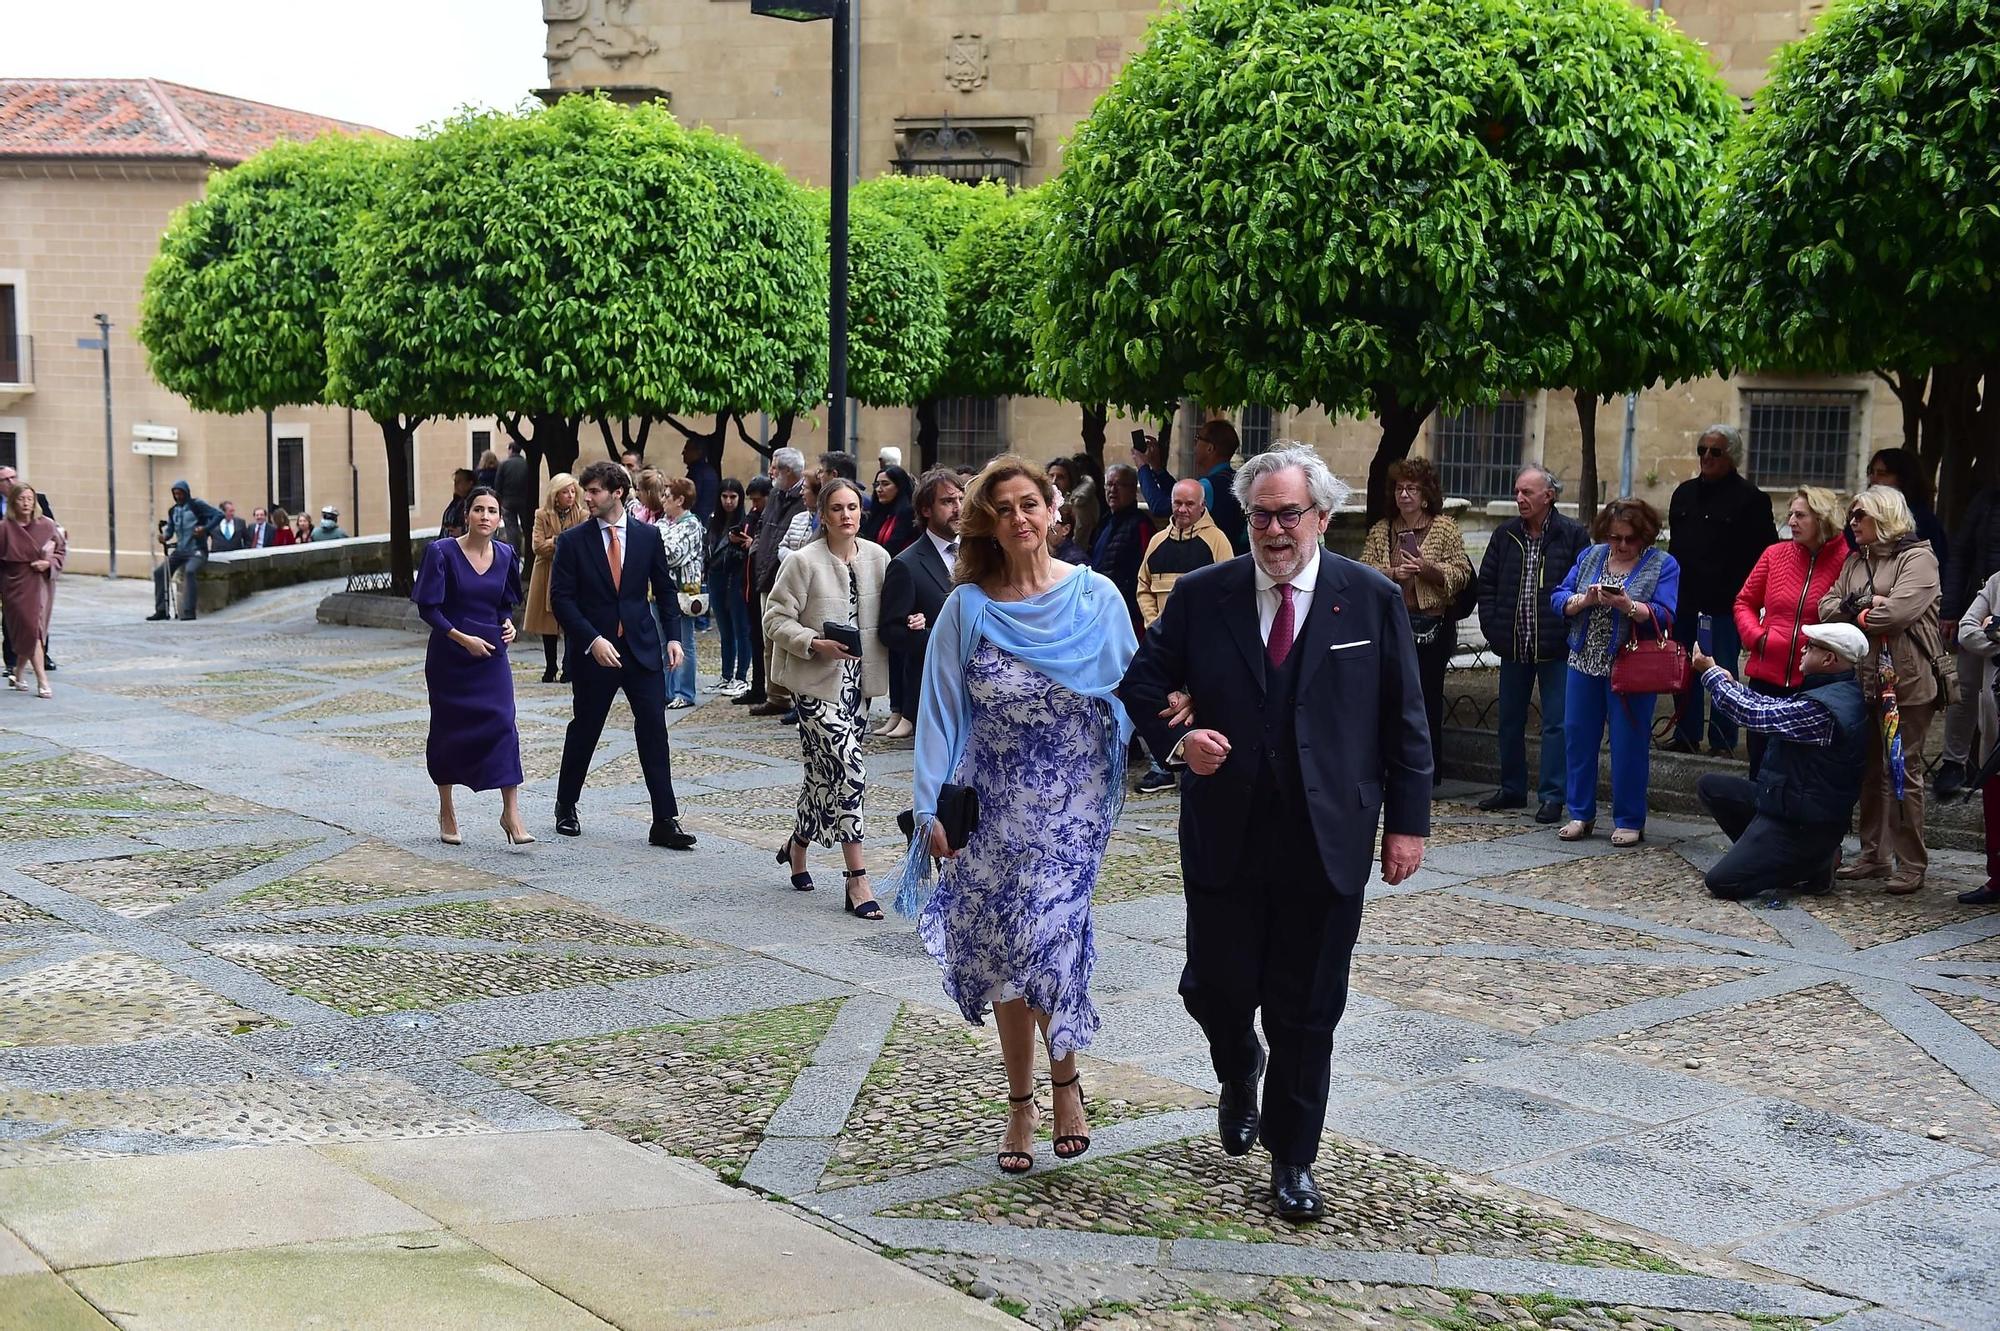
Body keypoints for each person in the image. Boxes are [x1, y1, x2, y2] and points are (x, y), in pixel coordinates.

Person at [1119, 444, 1429, 1223]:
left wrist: (1407, 825)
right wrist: (1178, 741)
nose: (1274, 528)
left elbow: (1404, 718)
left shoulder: (1370, 598)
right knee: (1214, 988)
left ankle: (1293, 1158)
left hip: (1328, 836)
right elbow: (1141, 681)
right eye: (1260, 513)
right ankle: (1237, 1062)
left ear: (1321, 516)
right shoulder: (1204, 593)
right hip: (1226, 829)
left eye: (1290, 513)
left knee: (1307, 1007)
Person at [891, 455, 1137, 1177]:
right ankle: (1019, 1100)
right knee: (1004, 952)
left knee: (1047, 937)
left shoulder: (1099, 598)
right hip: (991, 799)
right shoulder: (967, 607)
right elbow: (940, 709)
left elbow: (1139, 686)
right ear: (987, 524)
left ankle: (1064, 1085)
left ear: (1054, 510)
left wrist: (1181, 729)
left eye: (1031, 503)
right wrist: (930, 803)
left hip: (1073, 803)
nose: (1021, 517)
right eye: (1005, 509)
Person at [549, 460, 696, 850]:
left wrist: (674, 638)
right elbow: (560, 600)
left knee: (653, 727)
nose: (588, 498)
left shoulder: (648, 537)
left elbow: (664, 590)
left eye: (595, 491)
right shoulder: (572, 541)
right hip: (593, 651)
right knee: (586, 728)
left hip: (640, 648)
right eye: (586, 491)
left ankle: (664, 820)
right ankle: (566, 805)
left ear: (617, 492)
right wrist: (592, 640)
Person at [764, 478, 890, 914]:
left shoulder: (878, 557)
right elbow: (775, 619)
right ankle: (857, 877)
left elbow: (889, 616)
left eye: (853, 507)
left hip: (859, 686)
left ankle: (797, 846)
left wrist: (912, 620)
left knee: (823, 774)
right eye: (837, 508)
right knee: (850, 770)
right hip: (815, 685)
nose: (846, 515)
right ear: (823, 515)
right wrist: (814, 643)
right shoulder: (802, 561)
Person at [1819, 485, 1943, 895]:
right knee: (1871, 771)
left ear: (1884, 516)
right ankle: (1874, 855)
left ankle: (1912, 862)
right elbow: (1826, 606)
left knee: (1903, 770)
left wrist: (1860, 607)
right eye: (1852, 515)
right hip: (1866, 680)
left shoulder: (1919, 558)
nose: (1852, 523)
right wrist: (1867, 603)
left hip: (1906, 683)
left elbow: (1898, 613)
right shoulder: (1856, 560)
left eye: (1860, 516)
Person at [1692, 623, 1869, 900]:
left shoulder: (1824, 708)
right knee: (1711, 786)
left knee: (1721, 882)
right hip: (1789, 805)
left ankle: (1810, 865)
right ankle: (1777, 854)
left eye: (1811, 647)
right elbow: (1769, 707)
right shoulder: (1833, 690)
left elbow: (1755, 717)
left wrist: (1711, 674)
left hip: (1804, 824)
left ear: (1829, 659)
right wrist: (1728, 682)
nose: (1802, 649)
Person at [1552, 498, 1680, 846]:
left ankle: (1629, 819)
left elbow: (1667, 614)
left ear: (1644, 536)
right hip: (1583, 661)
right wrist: (1583, 600)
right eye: (1615, 537)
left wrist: (1630, 606)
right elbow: (1559, 596)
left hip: (1630, 666)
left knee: (1628, 744)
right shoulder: (1591, 556)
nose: (1622, 545)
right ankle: (1580, 813)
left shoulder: (1662, 564)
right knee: (1578, 739)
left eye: (1629, 539)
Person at [412, 487, 533, 848]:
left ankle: (511, 812)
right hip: (450, 657)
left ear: (499, 519)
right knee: (449, 730)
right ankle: (447, 809)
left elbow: (504, 604)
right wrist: (461, 638)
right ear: (467, 516)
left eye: (491, 511)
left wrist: (507, 623)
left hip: (492, 656)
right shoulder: (441, 552)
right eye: (478, 509)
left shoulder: (507, 554)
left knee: (503, 724)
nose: (484, 516)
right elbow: (428, 609)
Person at [1475, 466, 1589, 821]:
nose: (1520, 499)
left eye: (1527, 492)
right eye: (1517, 492)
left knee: (1557, 722)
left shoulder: (1572, 535)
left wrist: (1570, 631)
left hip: (1556, 645)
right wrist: (1494, 629)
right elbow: (1487, 585)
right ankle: (1512, 788)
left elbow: (1583, 586)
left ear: (1548, 496)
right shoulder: (1505, 534)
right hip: (1513, 644)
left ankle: (1553, 795)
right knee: (1509, 718)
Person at [1360, 456, 1474, 787]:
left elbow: (1461, 572)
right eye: (1399, 488)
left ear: (1425, 495)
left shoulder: (1445, 527)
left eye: (1411, 488)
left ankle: (1428, 770)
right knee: (1389, 696)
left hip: (1432, 625)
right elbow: (1364, 571)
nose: (1404, 495)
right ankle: (1389, 765)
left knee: (1426, 699)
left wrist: (1426, 568)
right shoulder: (1383, 529)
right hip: (1392, 625)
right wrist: (1394, 573)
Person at [1664, 425, 1776, 756]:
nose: (1707, 457)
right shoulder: (1683, 494)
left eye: (1715, 452)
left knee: (1722, 669)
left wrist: (1753, 601)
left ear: (1733, 457)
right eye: (1702, 450)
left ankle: (1723, 741)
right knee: (1683, 668)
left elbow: (1765, 555)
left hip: (1725, 604)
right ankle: (1685, 735)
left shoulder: (1752, 499)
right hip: (1685, 600)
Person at [1734, 487, 1846, 779]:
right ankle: (1757, 820)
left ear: (1822, 519)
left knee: (1801, 766)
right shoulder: (1775, 554)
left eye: (1801, 515)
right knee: (1759, 762)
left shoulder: (1847, 561)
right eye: (1791, 514)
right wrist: (1757, 637)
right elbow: (1744, 602)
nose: (1792, 521)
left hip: (1814, 681)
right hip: (1766, 676)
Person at [1131, 478, 1234, 793]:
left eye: (1190, 503)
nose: (1183, 509)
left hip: (1202, 640)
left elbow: (1228, 591)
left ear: (1203, 505)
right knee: (1162, 699)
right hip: (1163, 640)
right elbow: (1143, 586)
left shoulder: (1217, 541)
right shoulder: (1158, 540)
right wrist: (1154, 622)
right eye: (1178, 503)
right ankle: (1161, 764)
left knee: (1196, 700)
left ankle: (1203, 755)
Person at [878, 469, 964, 745]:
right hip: (934, 692)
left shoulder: (980, 553)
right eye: (948, 502)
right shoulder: (907, 564)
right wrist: (930, 636)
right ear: (926, 509)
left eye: (961, 500)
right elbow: (890, 631)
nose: (958, 508)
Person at [1938, 478, 2000, 800]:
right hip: (1984, 600)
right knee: (1965, 688)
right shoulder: (1986, 500)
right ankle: (1955, 762)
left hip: (1993, 617)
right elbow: (1960, 554)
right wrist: (1950, 608)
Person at [749, 448, 809, 717]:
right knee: (768, 639)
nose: (770, 472)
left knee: (788, 638)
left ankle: (792, 696)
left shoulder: (802, 498)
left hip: (788, 577)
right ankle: (775, 695)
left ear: (788, 471)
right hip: (767, 576)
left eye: (774, 468)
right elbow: (766, 528)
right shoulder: (775, 494)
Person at [1953, 569, 2000, 905]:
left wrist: (1996, 630)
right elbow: (1966, 630)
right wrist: (1993, 637)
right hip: (1995, 716)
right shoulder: (1997, 582)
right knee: (1995, 799)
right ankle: (1997, 878)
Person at [1133, 419, 1249, 554]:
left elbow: (1160, 507)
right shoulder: (1235, 480)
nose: (1194, 446)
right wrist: (1158, 469)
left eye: (1197, 439)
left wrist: (1142, 467)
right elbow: (1177, 495)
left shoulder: (1207, 486)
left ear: (1210, 448)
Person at [0, 483, 63, 698]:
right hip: (15, 584)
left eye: (30, 498)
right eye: (21, 499)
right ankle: (37, 677)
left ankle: (24, 674)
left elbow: (61, 551)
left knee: (34, 630)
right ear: (13, 502)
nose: (26, 503)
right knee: (29, 630)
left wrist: (49, 564)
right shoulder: (4, 528)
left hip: (41, 582)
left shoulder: (47, 525)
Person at [526, 473, 586, 684]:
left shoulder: (582, 514)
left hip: (571, 572)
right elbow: (537, 547)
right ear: (555, 494)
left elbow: (581, 546)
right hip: (546, 572)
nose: (570, 496)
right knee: (548, 623)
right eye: (564, 492)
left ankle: (568, 666)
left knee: (571, 620)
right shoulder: (542, 515)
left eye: (572, 491)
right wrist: (561, 542)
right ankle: (550, 665)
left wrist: (555, 542)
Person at [657, 476, 705, 709]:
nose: (663, 500)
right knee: (662, 642)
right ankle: (666, 690)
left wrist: (657, 546)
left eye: (667, 496)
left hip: (683, 593)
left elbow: (673, 555)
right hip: (659, 591)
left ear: (680, 500)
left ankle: (684, 692)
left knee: (683, 643)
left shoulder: (692, 525)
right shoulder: (663, 523)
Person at [1091, 463, 1155, 635]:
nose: (1113, 490)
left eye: (1120, 484)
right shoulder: (1104, 521)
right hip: (1100, 608)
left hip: (1127, 614)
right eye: (1109, 484)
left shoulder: (1140, 524)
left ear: (1133, 488)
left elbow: (1146, 573)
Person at [148, 479, 222, 622]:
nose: (178, 496)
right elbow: (169, 531)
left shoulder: (197, 505)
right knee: (159, 573)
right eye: (175, 494)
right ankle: (161, 610)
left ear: (186, 492)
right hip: (180, 551)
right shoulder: (173, 511)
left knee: (189, 571)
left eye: (180, 493)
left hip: (197, 550)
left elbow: (219, 515)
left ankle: (189, 611)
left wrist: (205, 529)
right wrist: (164, 537)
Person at [706, 479, 753, 696]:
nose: (728, 501)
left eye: (733, 497)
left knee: (741, 629)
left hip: (736, 576)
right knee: (725, 630)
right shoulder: (713, 520)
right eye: (724, 496)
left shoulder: (745, 522)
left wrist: (742, 543)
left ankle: (741, 676)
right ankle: (726, 675)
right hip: (716, 576)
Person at [735, 475, 774, 706]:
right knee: (754, 638)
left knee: (764, 640)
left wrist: (754, 545)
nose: (754, 505)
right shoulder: (754, 516)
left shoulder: (768, 517)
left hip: (761, 583)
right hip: (748, 584)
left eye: (758, 500)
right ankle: (757, 685)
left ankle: (767, 687)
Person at [495, 438, 534, 556]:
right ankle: (529, 551)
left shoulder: (504, 464)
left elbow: (498, 484)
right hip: (524, 501)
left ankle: (514, 553)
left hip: (507, 501)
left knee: (511, 529)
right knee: (527, 527)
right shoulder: (527, 464)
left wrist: (499, 501)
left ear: (511, 450)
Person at [683, 439, 721, 525]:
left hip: (697, 521)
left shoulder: (696, 473)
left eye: (687, 449)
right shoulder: (710, 471)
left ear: (698, 452)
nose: (683, 453)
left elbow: (691, 500)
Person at [440, 469, 476, 538]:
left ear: (470, 483)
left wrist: (463, 531)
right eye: (455, 482)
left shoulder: (473, 503)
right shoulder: (456, 502)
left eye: (459, 481)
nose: (455, 485)